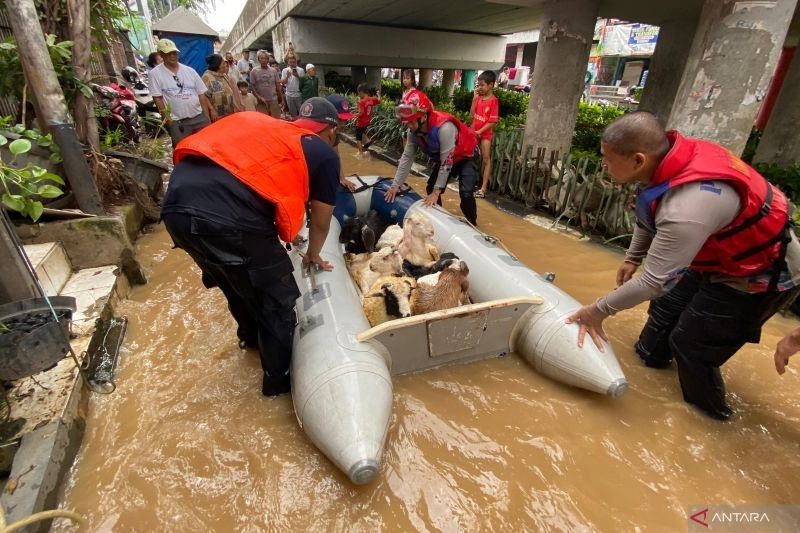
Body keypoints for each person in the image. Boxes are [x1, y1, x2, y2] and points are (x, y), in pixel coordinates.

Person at [565, 112, 800, 421]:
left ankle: (712, 420)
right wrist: (633, 256)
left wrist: (596, 312)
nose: (603, 165)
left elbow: (653, 283)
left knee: (691, 344)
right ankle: (652, 372)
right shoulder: (659, 166)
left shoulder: (688, 205)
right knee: (660, 323)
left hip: (758, 272)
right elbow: (649, 206)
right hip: (710, 253)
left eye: (607, 159)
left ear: (638, 159)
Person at [161, 98, 342, 396]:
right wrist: (312, 255)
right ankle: (276, 388)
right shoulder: (323, 153)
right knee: (279, 302)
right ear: (331, 131)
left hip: (176, 209)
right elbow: (321, 222)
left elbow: (250, 183)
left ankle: (250, 341)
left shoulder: (267, 131)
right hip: (227, 219)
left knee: (234, 284)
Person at [384, 92, 480, 225]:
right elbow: (407, 158)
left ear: (423, 116)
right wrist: (395, 185)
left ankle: (472, 224)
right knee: (430, 188)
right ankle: (440, 221)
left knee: (466, 193)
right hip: (447, 159)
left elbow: (446, 162)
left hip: (466, 156)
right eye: (407, 122)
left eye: (411, 122)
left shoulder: (444, 128)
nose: (409, 126)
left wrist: (436, 193)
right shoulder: (413, 133)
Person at [148, 38, 213, 146]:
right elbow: (157, 98)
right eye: (168, 53)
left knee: (205, 147)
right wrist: (168, 120)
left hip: (198, 117)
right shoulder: (155, 74)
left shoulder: (189, 71)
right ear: (161, 55)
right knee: (183, 150)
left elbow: (201, 93)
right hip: (178, 122)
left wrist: (206, 116)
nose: (172, 56)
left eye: (174, 53)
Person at [469, 70, 499, 198]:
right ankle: (470, 182)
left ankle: (483, 187)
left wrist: (479, 132)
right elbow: (471, 116)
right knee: (470, 156)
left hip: (485, 135)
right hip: (475, 132)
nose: (479, 87)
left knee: (486, 159)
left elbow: (492, 121)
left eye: (482, 85)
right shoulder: (479, 98)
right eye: (478, 85)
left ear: (490, 85)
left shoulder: (493, 101)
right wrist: (474, 100)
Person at [325, 93, 356, 192]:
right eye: (339, 119)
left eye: (345, 120)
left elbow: (335, 154)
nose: (343, 124)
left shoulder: (335, 131)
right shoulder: (316, 134)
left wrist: (341, 177)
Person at [201, 54, 242, 118]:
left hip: (229, 114)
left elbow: (230, 93)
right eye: (223, 63)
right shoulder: (206, 78)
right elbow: (203, 97)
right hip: (217, 117)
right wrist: (212, 110)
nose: (225, 65)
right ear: (217, 65)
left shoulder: (224, 76)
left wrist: (236, 106)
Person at [249, 50, 283, 118]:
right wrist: (258, 97)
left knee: (276, 120)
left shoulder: (273, 71)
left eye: (266, 58)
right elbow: (252, 86)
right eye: (262, 58)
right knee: (264, 121)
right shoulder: (254, 71)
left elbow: (278, 86)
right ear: (258, 59)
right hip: (261, 102)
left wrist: (281, 98)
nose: (264, 60)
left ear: (268, 60)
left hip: (273, 99)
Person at [354, 83, 380, 154]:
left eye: (358, 93)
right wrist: (378, 94)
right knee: (361, 132)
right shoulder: (371, 99)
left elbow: (361, 113)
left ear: (361, 92)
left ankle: (360, 153)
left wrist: (354, 115)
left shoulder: (361, 101)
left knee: (358, 138)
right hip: (367, 122)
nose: (358, 95)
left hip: (361, 122)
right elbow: (379, 100)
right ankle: (367, 141)